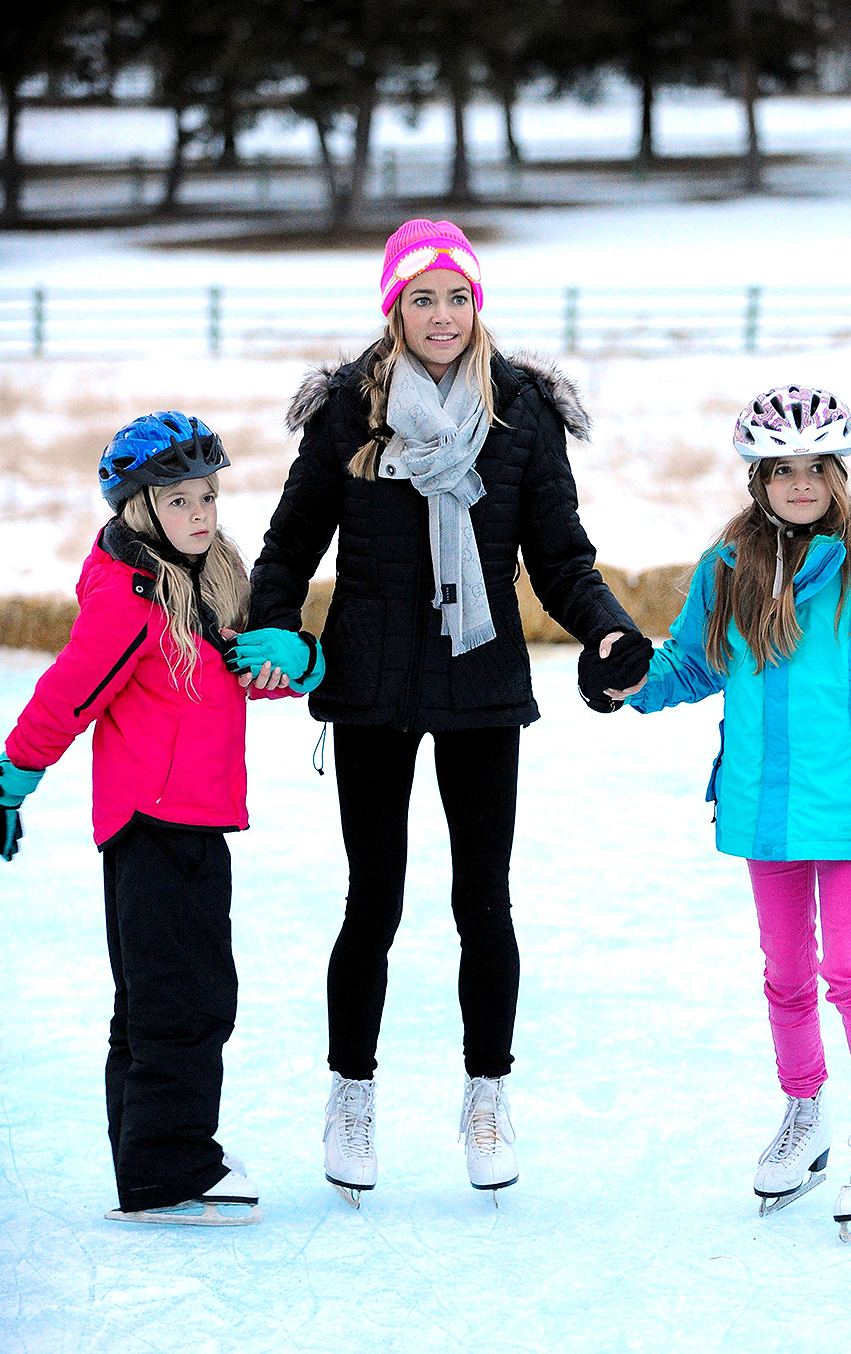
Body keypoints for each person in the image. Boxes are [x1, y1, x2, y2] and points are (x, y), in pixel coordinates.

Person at [226, 219, 651, 1203]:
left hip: (479, 684)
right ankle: (351, 1095)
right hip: (371, 688)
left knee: (481, 903)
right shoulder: (348, 413)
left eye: (456, 295)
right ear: (393, 308)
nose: (442, 315)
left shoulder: (522, 414)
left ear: (477, 304)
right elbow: (287, 547)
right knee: (370, 901)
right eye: (421, 297)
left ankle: (486, 1096)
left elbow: (559, 555)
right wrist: (279, 626)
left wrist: (608, 629)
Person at [606, 385, 851, 1242]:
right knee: (786, 976)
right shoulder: (729, 568)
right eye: (782, 469)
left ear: (838, 473)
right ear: (757, 478)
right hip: (765, 811)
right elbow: (694, 664)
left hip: (850, 814)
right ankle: (805, 1119)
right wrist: (629, 682)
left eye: (816, 469)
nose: (800, 484)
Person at [0, 412, 324, 1226]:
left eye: (209, 495)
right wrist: (13, 776)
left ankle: (148, 1162)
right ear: (142, 508)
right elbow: (67, 696)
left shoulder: (208, 581)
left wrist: (300, 659)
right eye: (179, 500)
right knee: (182, 999)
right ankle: (170, 1173)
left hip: (193, 820)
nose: (202, 513)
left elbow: (248, 674)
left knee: (156, 997)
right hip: (153, 827)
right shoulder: (132, 598)